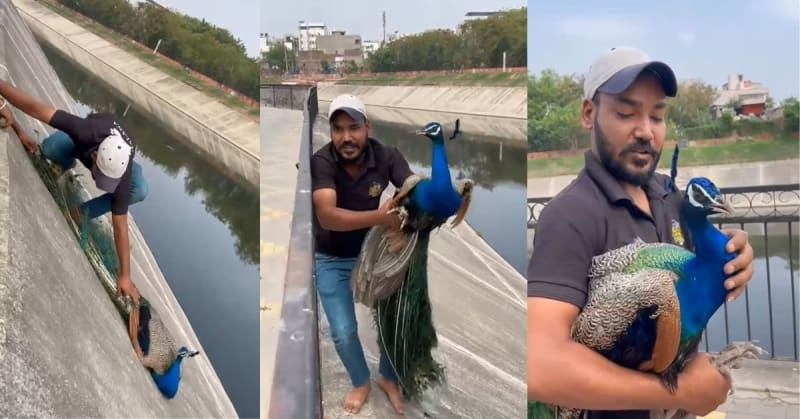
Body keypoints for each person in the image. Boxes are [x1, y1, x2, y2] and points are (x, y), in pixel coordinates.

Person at [526, 47, 755, 418]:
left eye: (657, 116)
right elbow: (540, 367)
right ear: (589, 113)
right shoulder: (569, 215)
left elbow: (697, 270)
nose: (646, 131)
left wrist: (737, 256)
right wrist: (678, 393)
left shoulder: (671, 195)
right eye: (626, 113)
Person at [0, 80, 149, 306]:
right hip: (86, 139)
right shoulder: (84, 130)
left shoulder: (123, 166)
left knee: (140, 190)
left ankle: (83, 212)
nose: (101, 183)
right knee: (49, 149)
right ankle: (67, 162)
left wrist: (125, 276)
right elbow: (32, 106)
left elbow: (120, 223)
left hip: (115, 150)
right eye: (101, 177)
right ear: (95, 158)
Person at [310, 94, 412, 414]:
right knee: (342, 332)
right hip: (330, 257)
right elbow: (327, 216)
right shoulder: (322, 161)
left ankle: (389, 378)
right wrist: (381, 218)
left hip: (373, 257)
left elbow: (411, 186)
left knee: (395, 321)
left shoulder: (387, 156)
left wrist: (411, 199)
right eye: (338, 129)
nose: (346, 137)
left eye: (354, 127)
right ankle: (361, 381)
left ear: (368, 127)